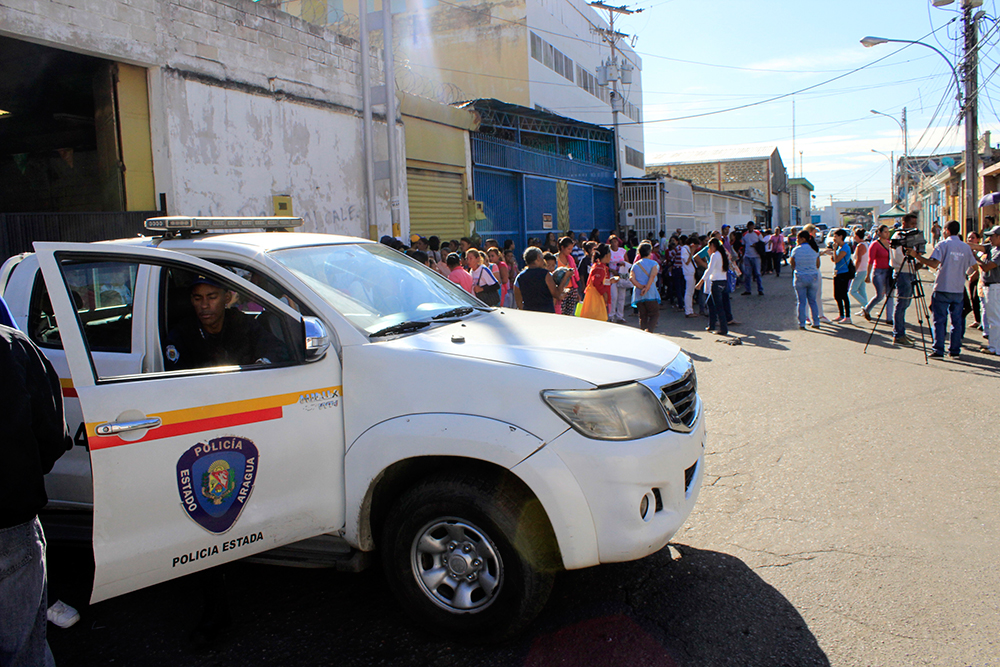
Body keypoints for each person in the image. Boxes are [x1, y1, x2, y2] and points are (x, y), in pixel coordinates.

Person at [1, 323, 73, 667]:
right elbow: (52, 436)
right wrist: (22, 474)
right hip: (9, 524)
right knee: (23, 647)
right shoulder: (10, 346)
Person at [164, 277, 290, 370]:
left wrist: (261, 365)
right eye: (198, 299)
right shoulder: (182, 335)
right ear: (192, 300)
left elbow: (277, 349)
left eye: (212, 297)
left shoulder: (241, 323)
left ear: (227, 298)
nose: (204, 305)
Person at [907, 220, 976, 358]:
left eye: (944, 230)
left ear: (947, 230)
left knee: (939, 320)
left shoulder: (943, 245)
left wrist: (917, 256)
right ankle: (954, 350)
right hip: (958, 288)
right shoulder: (965, 247)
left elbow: (933, 264)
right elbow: (973, 267)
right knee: (956, 321)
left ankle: (939, 349)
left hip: (943, 286)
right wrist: (963, 274)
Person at [889, 213, 926, 347]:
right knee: (901, 303)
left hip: (910, 272)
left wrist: (918, 259)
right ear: (904, 224)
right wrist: (914, 261)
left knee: (906, 303)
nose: (914, 227)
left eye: (915, 224)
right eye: (912, 224)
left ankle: (901, 332)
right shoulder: (898, 237)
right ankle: (898, 334)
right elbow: (899, 258)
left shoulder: (911, 237)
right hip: (902, 272)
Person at [970, 225, 1000, 355]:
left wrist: (976, 259)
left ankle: (995, 347)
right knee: (991, 317)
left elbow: (988, 267)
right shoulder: (992, 247)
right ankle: (993, 344)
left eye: (992, 236)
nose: (989, 238)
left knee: (994, 319)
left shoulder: (999, 252)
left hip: (995, 286)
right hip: (989, 286)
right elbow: (978, 247)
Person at [696, 238, 731, 336]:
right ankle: (712, 325)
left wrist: (701, 282)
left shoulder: (715, 255)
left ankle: (723, 328)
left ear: (712, 246)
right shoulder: (722, 254)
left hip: (716, 282)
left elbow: (709, 269)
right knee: (711, 303)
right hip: (723, 281)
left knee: (718, 306)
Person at [513, 247, 564, 313]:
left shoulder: (520, 277)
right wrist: (565, 278)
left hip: (529, 314)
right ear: (538, 257)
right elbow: (556, 294)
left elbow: (519, 303)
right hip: (546, 313)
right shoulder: (545, 274)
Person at [862, 224, 894, 324]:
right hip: (879, 271)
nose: (887, 234)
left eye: (888, 232)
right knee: (880, 295)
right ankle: (867, 309)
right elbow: (870, 261)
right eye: (885, 232)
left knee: (890, 295)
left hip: (889, 271)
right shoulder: (875, 244)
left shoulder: (890, 243)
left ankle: (889, 318)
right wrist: (867, 275)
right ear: (879, 233)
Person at [790, 229, 822, 329]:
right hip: (813, 276)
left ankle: (802, 323)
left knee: (801, 302)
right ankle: (816, 322)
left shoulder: (796, 250)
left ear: (803, 239)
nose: (797, 240)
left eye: (798, 238)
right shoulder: (814, 249)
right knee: (813, 301)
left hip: (800, 276)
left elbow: (792, 264)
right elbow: (818, 264)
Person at [629, 242, 660, 332]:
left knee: (643, 316)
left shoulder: (635, 265)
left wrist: (640, 286)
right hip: (650, 293)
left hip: (638, 293)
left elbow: (631, 278)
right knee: (654, 314)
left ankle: (643, 333)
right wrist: (646, 288)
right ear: (650, 252)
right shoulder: (654, 264)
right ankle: (649, 332)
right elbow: (652, 276)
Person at [583, 243, 618, 321]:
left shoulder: (600, 266)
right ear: (606, 255)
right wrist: (604, 293)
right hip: (596, 297)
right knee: (598, 319)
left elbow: (601, 281)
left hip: (597, 295)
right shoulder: (600, 268)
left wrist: (610, 281)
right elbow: (596, 282)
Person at [830, 229, 853, 323]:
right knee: (837, 295)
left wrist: (834, 250)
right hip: (838, 272)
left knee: (843, 295)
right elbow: (834, 259)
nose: (834, 238)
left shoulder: (845, 248)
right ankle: (841, 314)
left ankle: (847, 316)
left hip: (844, 273)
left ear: (841, 237)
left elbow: (837, 259)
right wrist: (833, 251)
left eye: (835, 236)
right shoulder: (839, 247)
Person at [556, 237, 581, 317]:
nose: (570, 251)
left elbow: (575, 275)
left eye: (571, 249)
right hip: (561, 290)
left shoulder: (570, 259)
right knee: (560, 312)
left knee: (570, 314)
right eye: (568, 249)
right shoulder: (555, 259)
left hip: (571, 288)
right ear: (562, 247)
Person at [607, 236, 629, 323]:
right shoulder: (608, 251)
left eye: (616, 241)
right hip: (612, 276)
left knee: (621, 296)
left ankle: (620, 315)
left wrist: (623, 265)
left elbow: (627, 262)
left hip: (621, 275)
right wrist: (612, 270)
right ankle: (611, 315)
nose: (614, 243)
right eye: (612, 242)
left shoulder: (622, 251)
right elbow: (606, 263)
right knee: (613, 296)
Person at [740, 221, 765, 296]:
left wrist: (756, 246)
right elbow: (743, 245)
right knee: (747, 274)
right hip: (747, 256)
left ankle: (760, 289)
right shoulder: (745, 234)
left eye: (752, 226)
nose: (751, 228)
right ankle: (748, 290)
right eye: (749, 226)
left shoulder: (757, 233)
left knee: (757, 273)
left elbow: (762, 243)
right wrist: (742, 255)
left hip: (756, 256)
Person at [849, 228, 869, 315]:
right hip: (864, 269)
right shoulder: (865, 244)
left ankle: (867, 306)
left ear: (857, 236)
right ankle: (864, 309)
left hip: (860, 270)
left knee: (852, 290)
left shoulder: (860, 246)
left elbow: (858, 260)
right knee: (861, 290)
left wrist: (854, 271)